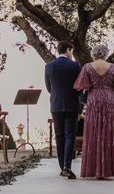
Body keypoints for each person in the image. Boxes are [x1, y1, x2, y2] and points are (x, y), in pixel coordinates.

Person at [73, 44, 114, 179]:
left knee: (93, 132)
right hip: (109, 99)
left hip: (93, 99)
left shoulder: (87, 67)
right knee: (108, 132)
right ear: (106, 54)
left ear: (94, 54)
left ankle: (93, 169)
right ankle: (107, 170)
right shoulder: (113, 68)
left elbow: (79, 86)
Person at [45, 40, 82, 179]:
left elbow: (49, 88)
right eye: (71, 51)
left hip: (55, 104)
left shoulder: (48, 66)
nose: (72, 54)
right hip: (71, 104)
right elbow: (80, 86)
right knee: (70, 135)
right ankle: (67, 166)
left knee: (59, 136)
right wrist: (75, 95)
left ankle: (62, 167)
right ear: (67, 50)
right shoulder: (75, 65)